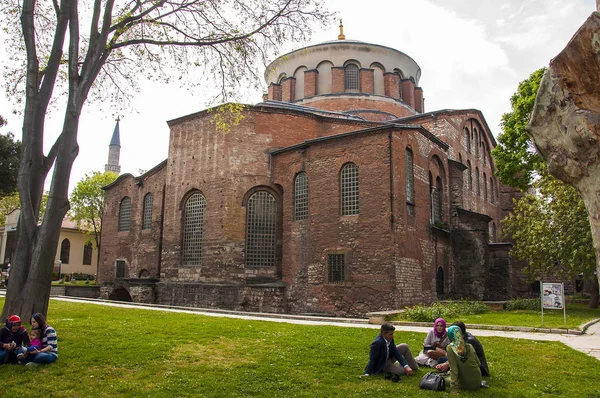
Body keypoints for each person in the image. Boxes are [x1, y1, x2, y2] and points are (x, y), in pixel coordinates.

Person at [445, 325, 482, 394]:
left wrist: (454, 389)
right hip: (477, 382)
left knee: (444, 379)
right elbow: (478, 363)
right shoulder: (470, 346)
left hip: (466, 384)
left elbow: (454, 370)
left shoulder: (450, 348)